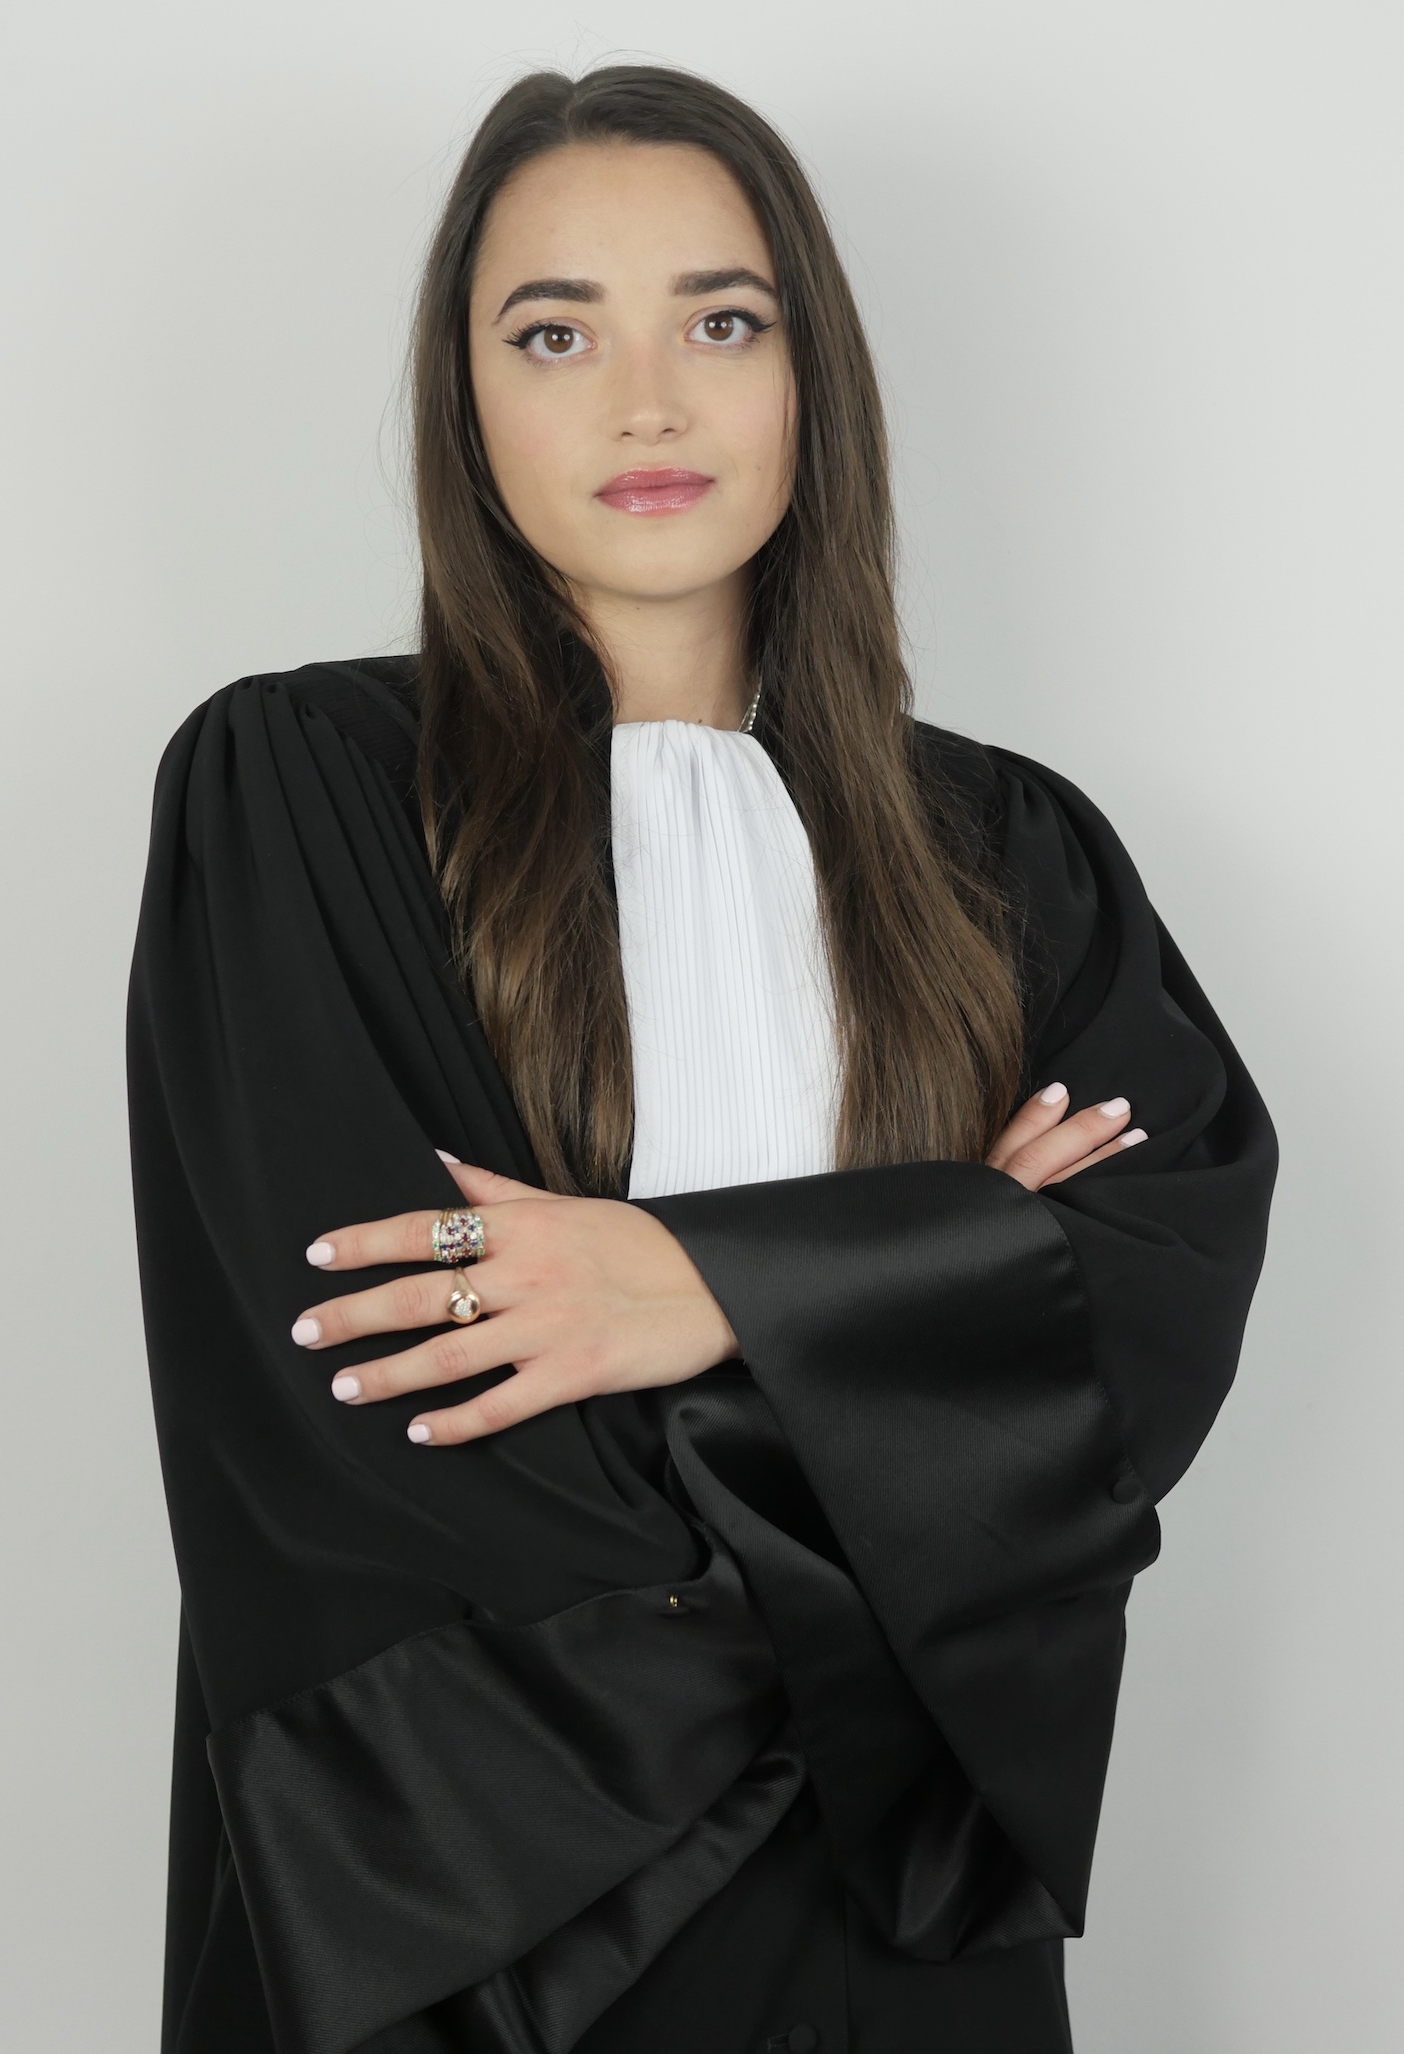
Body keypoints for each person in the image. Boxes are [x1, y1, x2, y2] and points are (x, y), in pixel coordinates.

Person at [128, 64, 1276, 2054]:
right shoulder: (297, 792)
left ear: (811, 375)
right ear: (463, 399)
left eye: (721, 322)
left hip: (905, 1924)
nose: (646, 403)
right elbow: (371, 1408)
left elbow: (1128, 1342)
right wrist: (926, 1275)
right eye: (554, 332)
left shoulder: (1013, 852)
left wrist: (686, 1283)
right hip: (488, 1928)